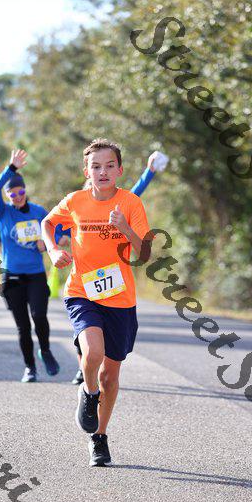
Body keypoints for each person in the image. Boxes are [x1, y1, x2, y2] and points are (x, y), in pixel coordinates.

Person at [42, 138, 152, 466]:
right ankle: (89, 394)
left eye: (109, 166)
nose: (102, 172)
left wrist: (125, 228)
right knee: (92, 353)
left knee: (110, 377)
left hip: (120, 299)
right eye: (96, 166)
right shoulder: (75, 201)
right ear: (86, 171)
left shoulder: (130, 203)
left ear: (119, 170)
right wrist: (53, 249)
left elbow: (144, 254)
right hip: (83, 292)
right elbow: (47, 223)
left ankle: (99, 436)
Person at [70, 150, 164, 386]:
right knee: (88, 336)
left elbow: (136, 192)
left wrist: (150, 171)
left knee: (107, 358)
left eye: (109, 167)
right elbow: (58, 228)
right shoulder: (77, 207)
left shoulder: (121, 205)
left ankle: (91, 370)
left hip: (114, 287)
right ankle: (84, 369)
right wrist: (57, 245)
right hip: (84, 283)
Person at [0, 149, 64, 383]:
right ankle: (30, 368)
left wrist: (50, 242)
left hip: (35, 275)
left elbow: (56, 228)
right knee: (23, 327)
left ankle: (46, 350)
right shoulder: (3, 212)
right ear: (7, 196)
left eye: (21, 192)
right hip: (12, 278)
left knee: (39, 316)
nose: (17, 196)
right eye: (12, 193)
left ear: (25, 191)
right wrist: (11, 168)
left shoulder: (38, 212)